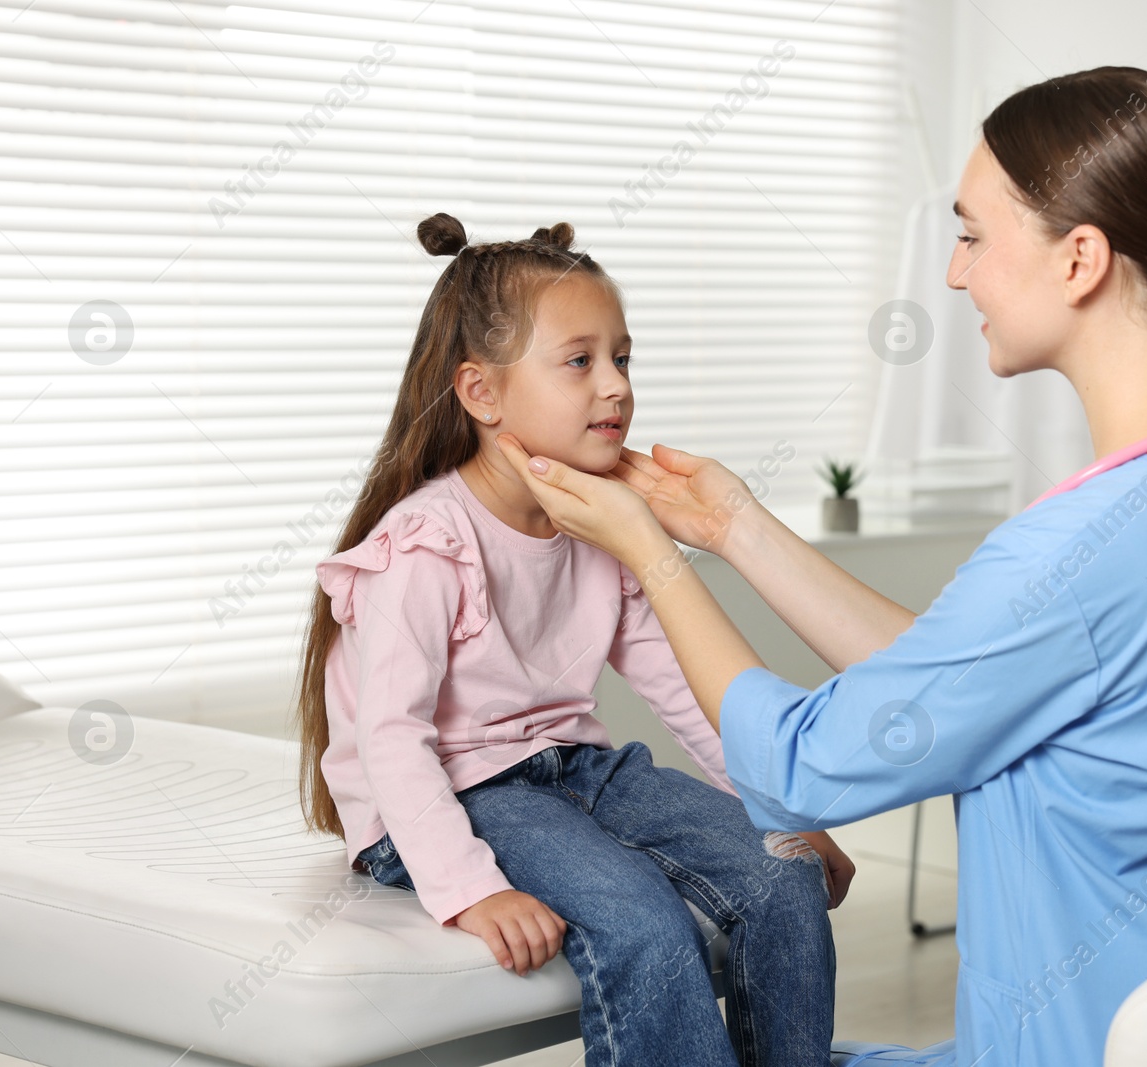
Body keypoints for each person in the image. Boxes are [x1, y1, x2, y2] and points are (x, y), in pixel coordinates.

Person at [490, 66, 1147, 1066]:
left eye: (970, 236)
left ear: (1080, 257)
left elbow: (796, 768)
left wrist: (649, 552)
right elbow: (962, 678)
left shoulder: (1086, 550)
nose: (957, 275)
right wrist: (735, 527)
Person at [294, 212, 853, 1067]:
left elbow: (682, 686)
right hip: (458, 786)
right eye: (580, 361)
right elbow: (391, 738)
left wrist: (783, 812)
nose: (617, 386)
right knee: (640, 917)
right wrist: (468, 888)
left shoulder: (598, 525)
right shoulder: (426, 545)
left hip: (574, 769)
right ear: (480, 393)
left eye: (622, 357)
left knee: (783, 873)